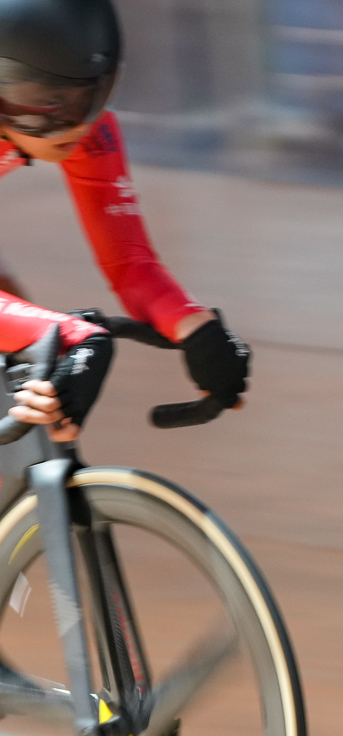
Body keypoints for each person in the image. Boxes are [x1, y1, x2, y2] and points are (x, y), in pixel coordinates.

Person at [1, 0, 249, 438]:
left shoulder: (84, 130)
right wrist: (72, 336)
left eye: (91, 96)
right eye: (46, 102)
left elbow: (130, 263)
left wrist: (194, 326)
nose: (76, 125)